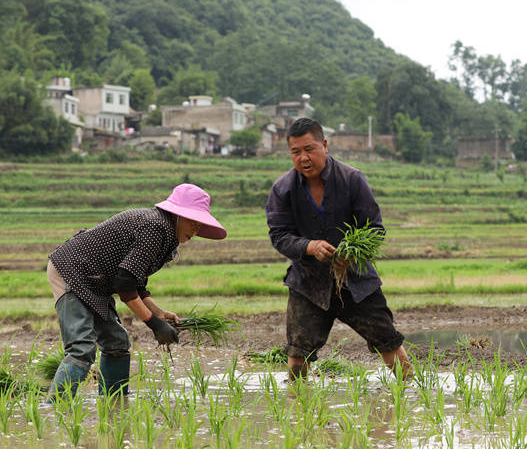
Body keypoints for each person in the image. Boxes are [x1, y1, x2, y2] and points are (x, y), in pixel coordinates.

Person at [46, 183, 226, 398]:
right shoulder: (155, 227)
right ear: (176, 215)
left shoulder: (164, 235)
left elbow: (135, 281)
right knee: (81, 348)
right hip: (73, 271)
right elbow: (125, 286)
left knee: (117, 343)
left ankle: (114, 404)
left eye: (200, 223)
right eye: (193, 221)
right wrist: (154, 323)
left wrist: (158, 313)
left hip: (96, 280)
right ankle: (53, 410)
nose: (197, 229)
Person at [265, 118, 411, 379]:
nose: (303, 158)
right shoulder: (282, 189)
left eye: (309, 149)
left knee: (388, 341)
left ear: (324, 145)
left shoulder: (352, 179)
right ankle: (298, 406)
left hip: (357, 282)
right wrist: (309, 246)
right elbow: (279, 235)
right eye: (295, 152)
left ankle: (412, 391)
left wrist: (351, 255)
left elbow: (374, 229)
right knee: (298, 354)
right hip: (308, 284)